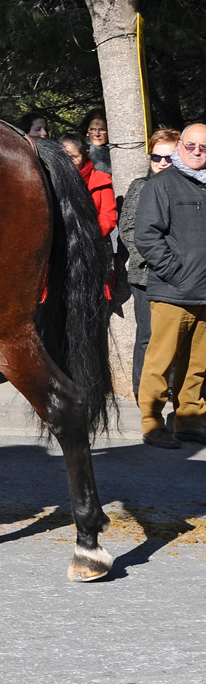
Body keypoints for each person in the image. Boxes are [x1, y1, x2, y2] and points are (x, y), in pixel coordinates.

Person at [134, 123, 206, 449]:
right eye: (190, 145)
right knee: (159, 364)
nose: (196, 151)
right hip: (172, 292)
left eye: (203, 147)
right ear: (180, 147)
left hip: (204, 293)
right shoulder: (161, 185)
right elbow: (146, 236)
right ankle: (152, 425)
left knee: (197, 367)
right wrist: (175, 273)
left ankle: (189, 421)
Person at [117, 128, 181, 399]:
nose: (162, 163)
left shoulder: (189, 187)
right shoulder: (141, 187)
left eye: (169, 157)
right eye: (157, 157)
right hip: (147, 275)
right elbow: (128, 229)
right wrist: (158, 261)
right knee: (148, 336)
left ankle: (176, 388)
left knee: (180, 336)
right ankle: (143, 391)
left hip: (182, 276)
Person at [60, 134, 117, 237]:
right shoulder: (54, 181)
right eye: (65, 158)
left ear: (85, 154)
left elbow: (108, 217)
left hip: (95, 240)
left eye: (74, 157)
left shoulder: (101, 180)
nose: (69, 163)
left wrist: (89, 235)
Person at [81, 109, 111, 174]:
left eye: (102, 130)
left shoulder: (111, 147)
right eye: (92, 129)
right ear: (87, 132)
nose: (97, 134)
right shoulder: (89, 150)